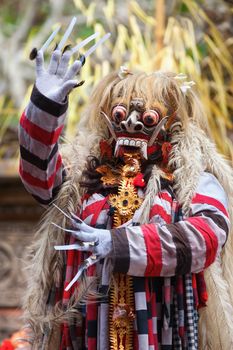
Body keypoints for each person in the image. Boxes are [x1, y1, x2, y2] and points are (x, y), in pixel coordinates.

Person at [18, 22, 233, 350]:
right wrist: (45, 105)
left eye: (147, 118)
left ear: (168, 124)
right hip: (88, 332)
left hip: (164, 335)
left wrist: (117, 245)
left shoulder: (192, 180)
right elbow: (40, 181)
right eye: (120, 114)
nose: (131, 122)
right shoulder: (85, 180)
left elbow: (207, 235)